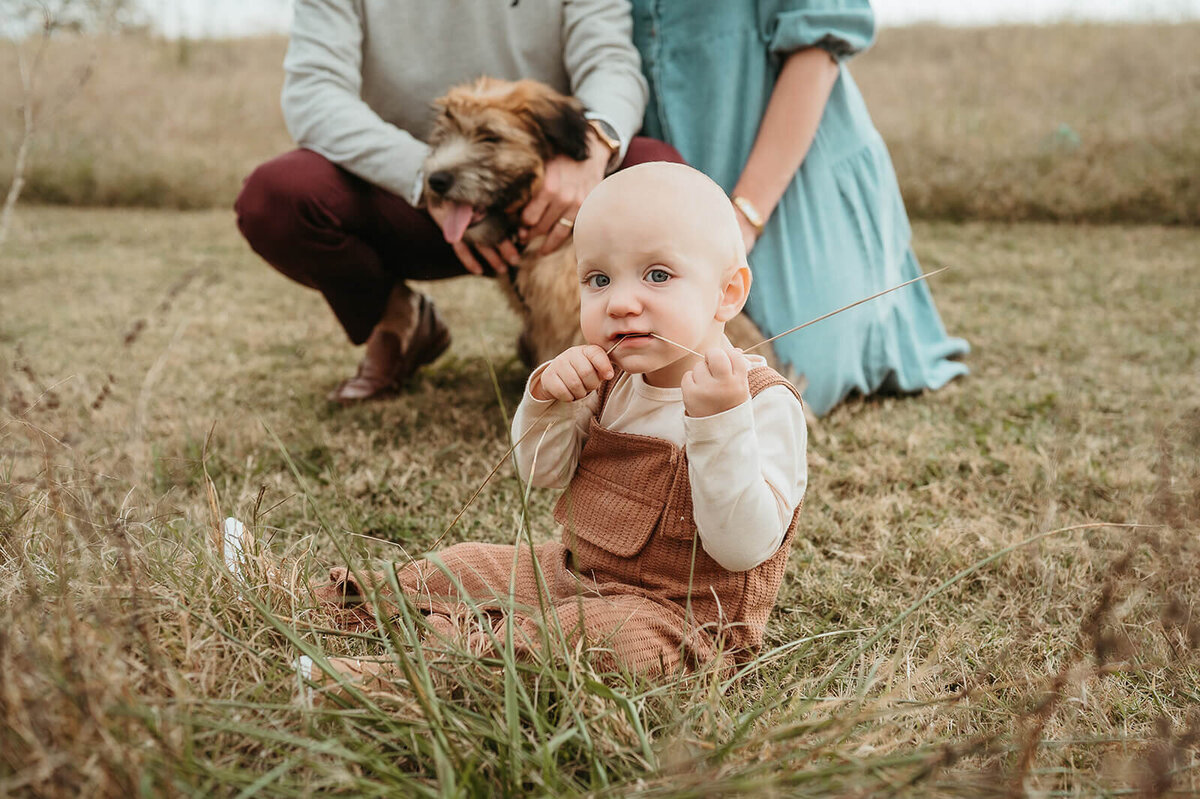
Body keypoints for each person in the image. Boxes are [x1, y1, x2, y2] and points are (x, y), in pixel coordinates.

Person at [294, 163, 808, 693]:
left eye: (657, 275)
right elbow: (541, 471)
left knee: (580, 640)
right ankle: (323, 601)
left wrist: (718, 422)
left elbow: (743, 547)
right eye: (599, 280)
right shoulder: (611, 381)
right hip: (570, 573)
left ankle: (404, 679)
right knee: (460, 566)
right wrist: (547, 400)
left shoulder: (762, 404)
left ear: (728, 292)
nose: (621, 302)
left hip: (681, 620)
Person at [234, 0, 683, 403]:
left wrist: (592, 145)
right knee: (279, 196)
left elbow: (609, 61)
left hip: (553, 185)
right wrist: (424, 177)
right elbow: (314, 93)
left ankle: (592, 340)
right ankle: (400, 322)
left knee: (657, 170)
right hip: (414, 195)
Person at [629, 0, 969, 416]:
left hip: (795, 165)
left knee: (796, 376)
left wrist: (743, 217)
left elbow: (817, 50)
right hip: (673, 172)